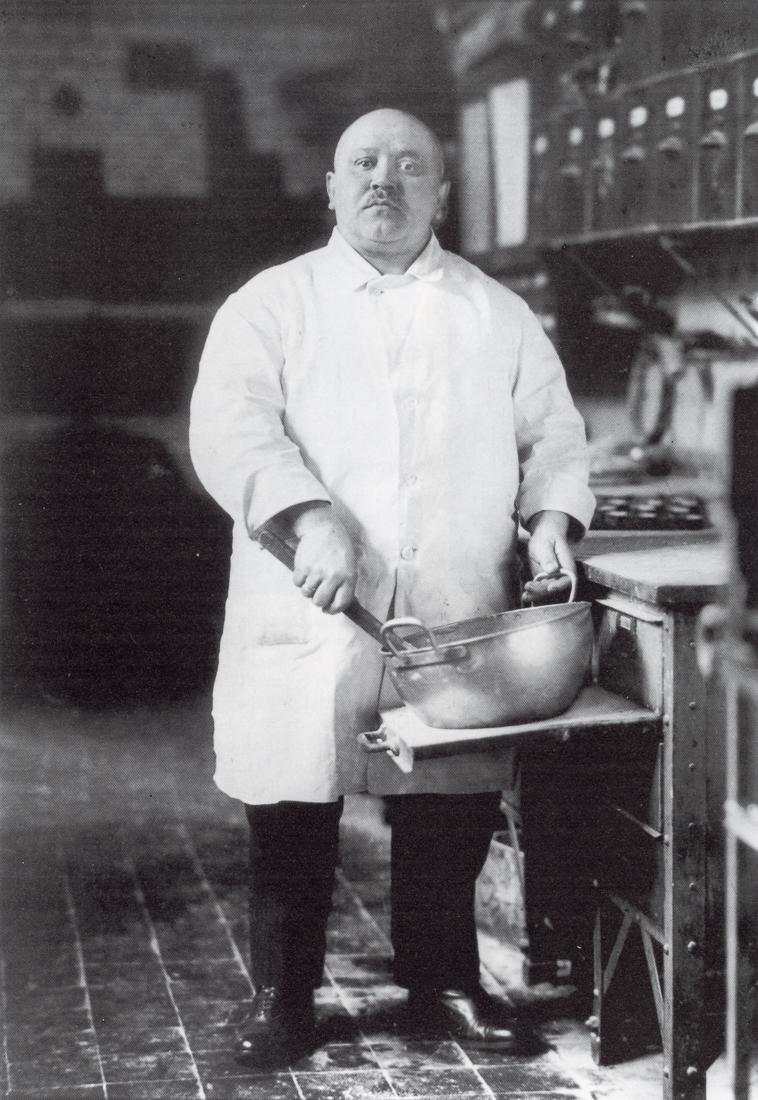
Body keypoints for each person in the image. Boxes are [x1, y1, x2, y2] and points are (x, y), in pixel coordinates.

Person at [189, 108, 595, 1067]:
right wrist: (308, 516)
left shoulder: (495, 311)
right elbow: (231, 429)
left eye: (410, 165)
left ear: (441, 192)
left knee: (446, 809)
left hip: (451, 605)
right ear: (331, 187)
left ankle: (444, 984)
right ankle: (283, 998)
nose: (385, 179)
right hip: (313, 604)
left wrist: (548, 524)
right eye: (362, 162)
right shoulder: (271, 304)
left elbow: (555, 439)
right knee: (292, 805)